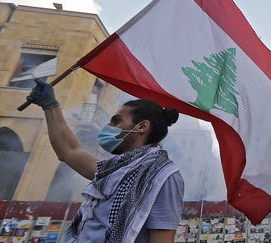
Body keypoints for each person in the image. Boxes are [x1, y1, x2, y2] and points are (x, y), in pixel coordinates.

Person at [26, 79, 184, 243]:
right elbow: (69, 151)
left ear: (141, 127)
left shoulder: (164, 176)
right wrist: (50, 106)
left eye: (116, 121)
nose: (108, 125)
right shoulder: (112, 170)